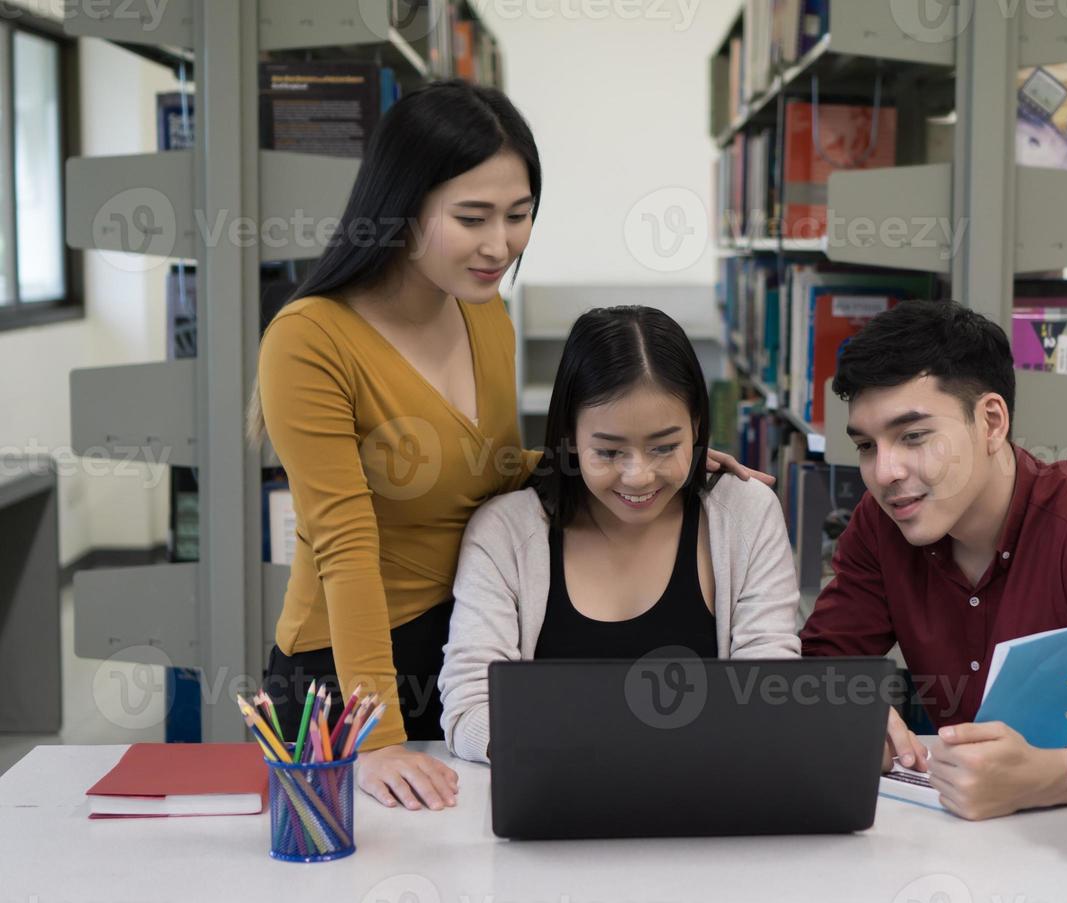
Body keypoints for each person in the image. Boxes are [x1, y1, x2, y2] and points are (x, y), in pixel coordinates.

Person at [256, 82, 766, 812]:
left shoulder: (483, 310)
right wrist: (374, 735)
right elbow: (344, 541)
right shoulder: (309, 340)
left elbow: (488, 470)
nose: (501, 244)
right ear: (400, 210)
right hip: (345, 665)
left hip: (465, 634)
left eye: (519, 215)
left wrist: (637, 463)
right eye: (472, 218)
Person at [801, 299, 1067, 821]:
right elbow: (820, 669)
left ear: (991, 421)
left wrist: (1049, 778)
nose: (884, 472)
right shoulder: (880, 524)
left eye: (913, 437)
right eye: (866, 445)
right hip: (952, 853)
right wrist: (853, 713)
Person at [439, 306, 801, 762]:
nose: (639, 476)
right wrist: (605, 753)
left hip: (704, 812)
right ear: (570, 436)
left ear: (697, 428)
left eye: (665, 447)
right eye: (609, 452)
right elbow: (470, 710)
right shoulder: (505, 533)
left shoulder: (745, 514)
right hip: (557, 805)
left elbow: (770, 689)